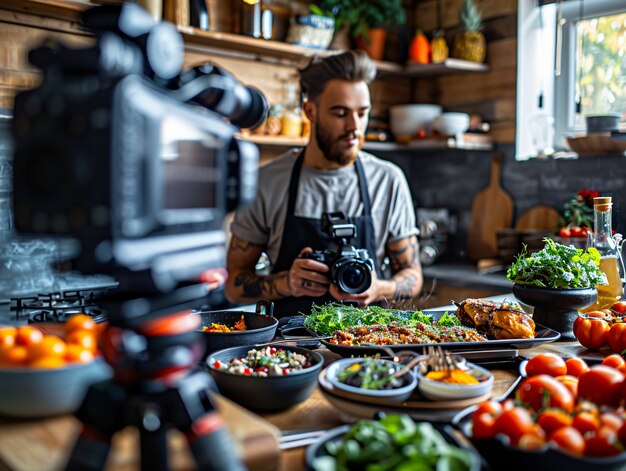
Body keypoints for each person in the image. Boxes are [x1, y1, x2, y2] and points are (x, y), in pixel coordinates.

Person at [224, 50, 423, 317]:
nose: (355, 126)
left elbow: (413, 276)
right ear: (310, 111)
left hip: (371, 346)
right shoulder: (268, 182)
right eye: (341, 113)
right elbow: (233, 285)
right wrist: (287, 283)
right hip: (292, 349)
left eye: (362, 113)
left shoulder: (387, 180)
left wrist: (378, 288)